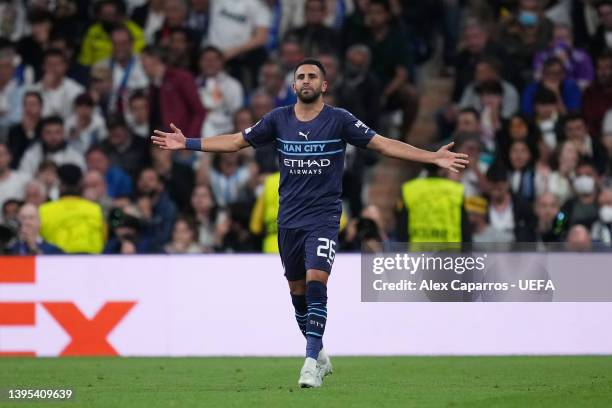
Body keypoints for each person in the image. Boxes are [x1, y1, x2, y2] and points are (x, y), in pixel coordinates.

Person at [151, 58, 468, 388]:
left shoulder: (339, 120)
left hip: (325, 217)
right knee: (298, 293)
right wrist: (187, 143)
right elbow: (234, 142)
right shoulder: (278, 119)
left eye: (312, 76)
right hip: (289, 220)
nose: (306, 80)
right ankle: (320, 354)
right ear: (293, 87)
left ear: (323, 85)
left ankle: (309, 362)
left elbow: (384, 144)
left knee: (317, 281)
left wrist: (432, 156)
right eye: (300, 76)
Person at [39, 164, 106, 254]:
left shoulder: (44, 210)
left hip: (58, 263)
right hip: (93, 263)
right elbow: (104, 238)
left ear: (60, 185)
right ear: (80, 184)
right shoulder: (96, 209)